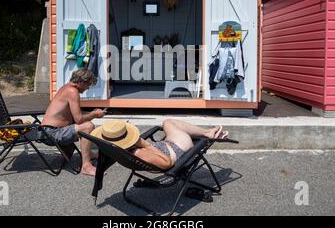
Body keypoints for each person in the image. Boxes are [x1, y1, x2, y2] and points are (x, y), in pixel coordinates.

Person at [91, 119, 230, 170]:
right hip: (177, 147)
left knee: (167, 123)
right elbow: (167, 163)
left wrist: (135, 142)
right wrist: (144, 143)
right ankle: (208, 134)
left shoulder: (114, 149)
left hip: (166, 145)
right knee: (170, 123)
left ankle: (207, 132)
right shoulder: (138, 152)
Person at [41, 68, 106, 176]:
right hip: (51, 133)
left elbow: (76, 114)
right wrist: (94, 114)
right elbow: (79, 120)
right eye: (88, 85)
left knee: (86, 125)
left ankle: (91, 153)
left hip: (50, 130)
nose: (88, 88)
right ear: (82, 82)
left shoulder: (66, 88)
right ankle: (86, 166)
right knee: (87, 126)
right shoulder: (72, 92)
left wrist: (91, 113)